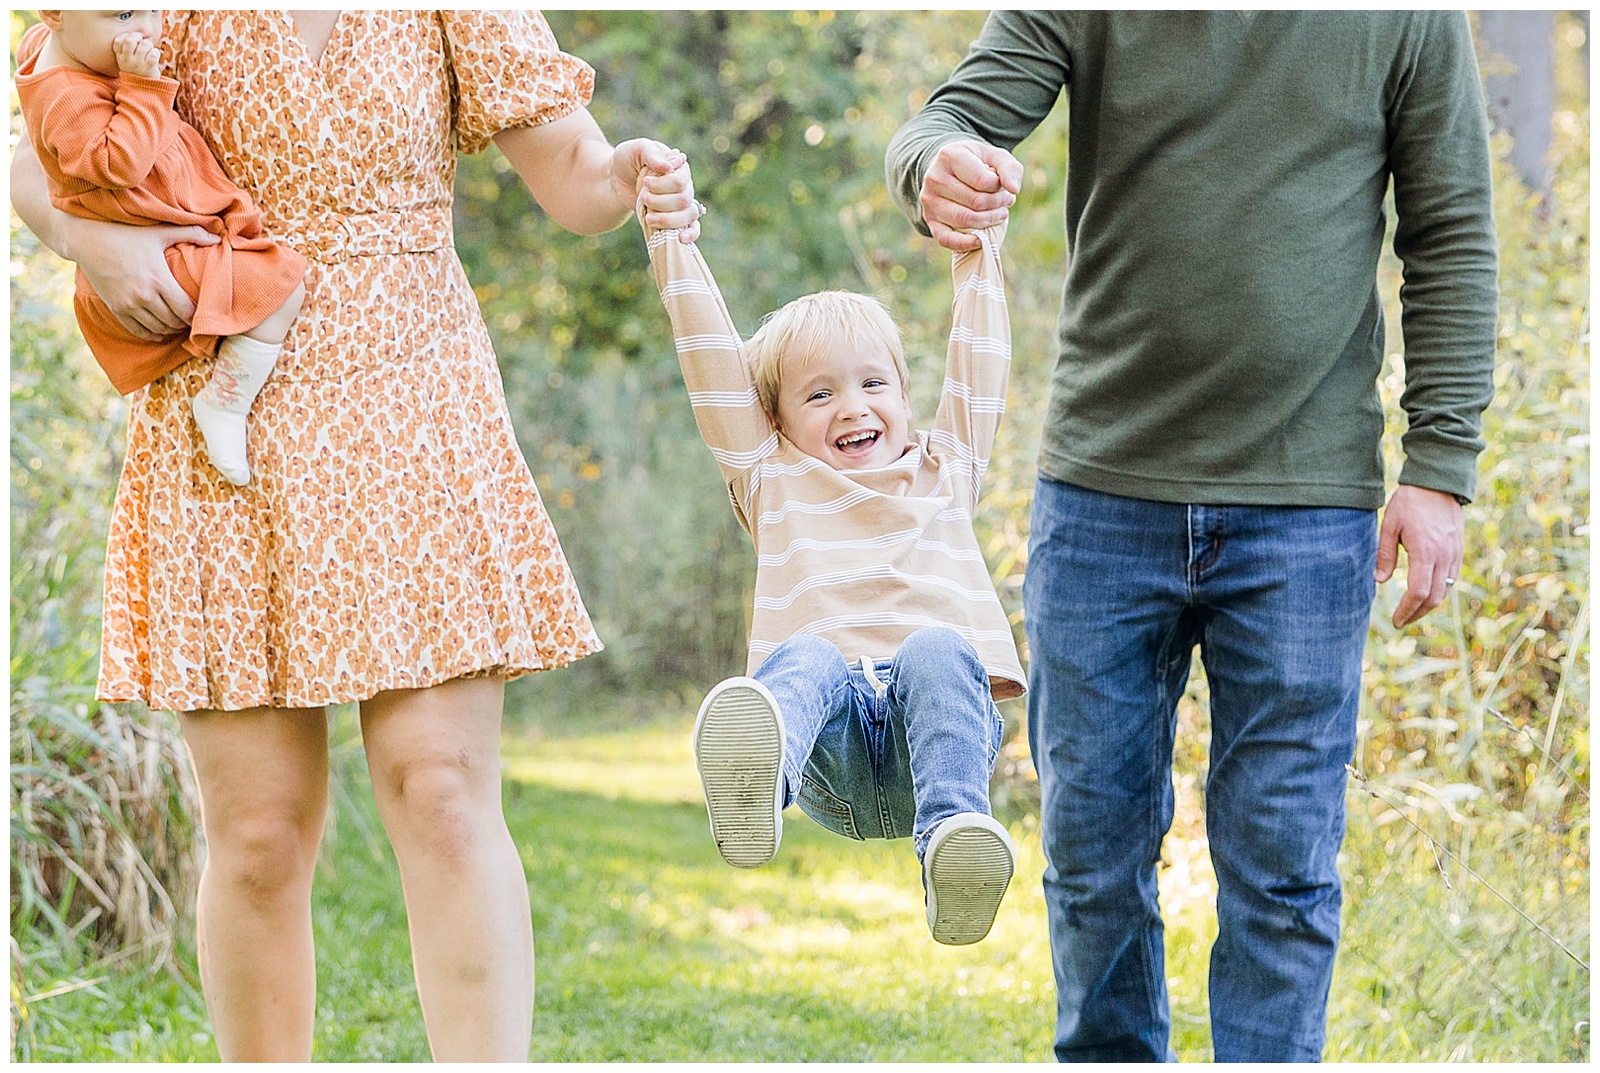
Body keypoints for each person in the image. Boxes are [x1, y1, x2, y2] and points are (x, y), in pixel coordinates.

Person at [12, 10, 701, 1062]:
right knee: (257, 834)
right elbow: (34, 144)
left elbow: (569, 171)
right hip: (224, 388)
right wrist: (89, 237)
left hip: (412, 392)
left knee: (441, 790)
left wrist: (626, 174)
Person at [887, 10, 1497, 1062]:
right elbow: (944, 122)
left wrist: (1438, 467)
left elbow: (1447, 231)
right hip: (1100, 497)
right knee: (1089, 853)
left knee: (1283, 866)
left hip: (1309, 506)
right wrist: (937, 164)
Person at [642, 207, 1023, 945]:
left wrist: (979, 251)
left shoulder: (946, 470)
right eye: (818, 394)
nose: (853, 406)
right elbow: (713, 368)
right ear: (775, 420)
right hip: (830, 749)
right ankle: (759, 784)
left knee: (937, 647)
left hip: (935, 751)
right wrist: (669, 242)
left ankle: (954, 846)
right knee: (810, 651)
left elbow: (981, 363)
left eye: (873, 383)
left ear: (906, 400)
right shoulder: (771, 478)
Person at [16, 10, 306, 485]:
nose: (150, 29)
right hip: (158, 254)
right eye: (125, 14)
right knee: (280, 291)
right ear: (54, 13)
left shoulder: (68, 49)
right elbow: (120, 162)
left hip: (169, 229)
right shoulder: (67, 98)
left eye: (154, 9)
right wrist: (142, 86)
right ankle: (226, 404)